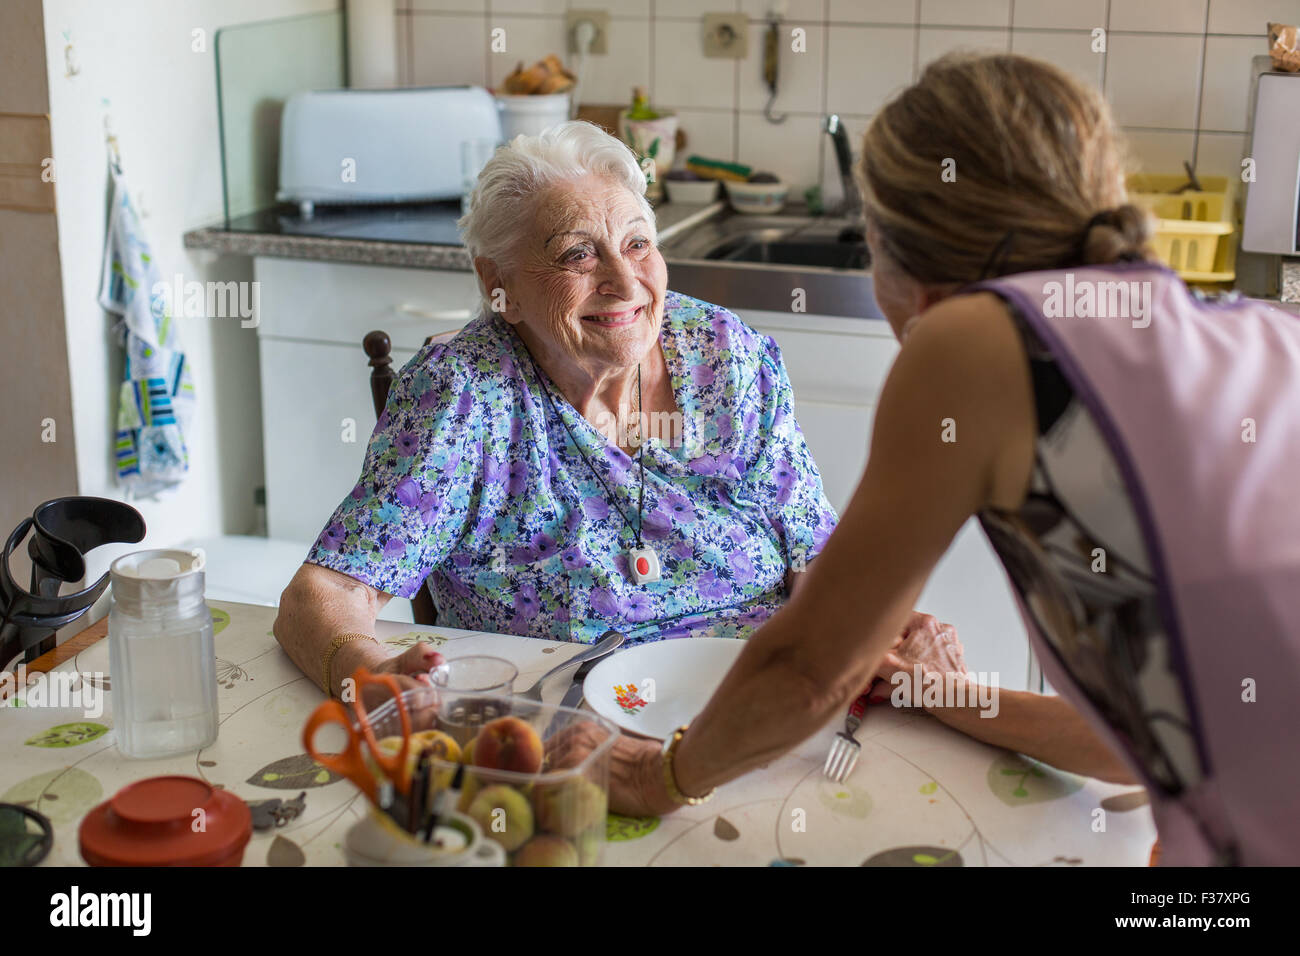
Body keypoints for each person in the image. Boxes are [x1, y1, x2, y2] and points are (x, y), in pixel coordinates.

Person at [598, 53, 1300, 867]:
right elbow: (1135, 736)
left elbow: (806, 671)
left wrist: (662, 778)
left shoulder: (973, 342)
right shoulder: (1264, 333)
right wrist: (938, 694)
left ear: (898, 250)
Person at [274, 121, 864, 700]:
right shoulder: (464, 398)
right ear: (497, 281)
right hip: (564, 719)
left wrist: (865, 639)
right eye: (578, 256)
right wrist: (368, 675)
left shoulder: (725, 353)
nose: (625, 283)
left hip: (765, 690)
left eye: (637, 244)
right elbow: (321, 595)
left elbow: (813, 550)